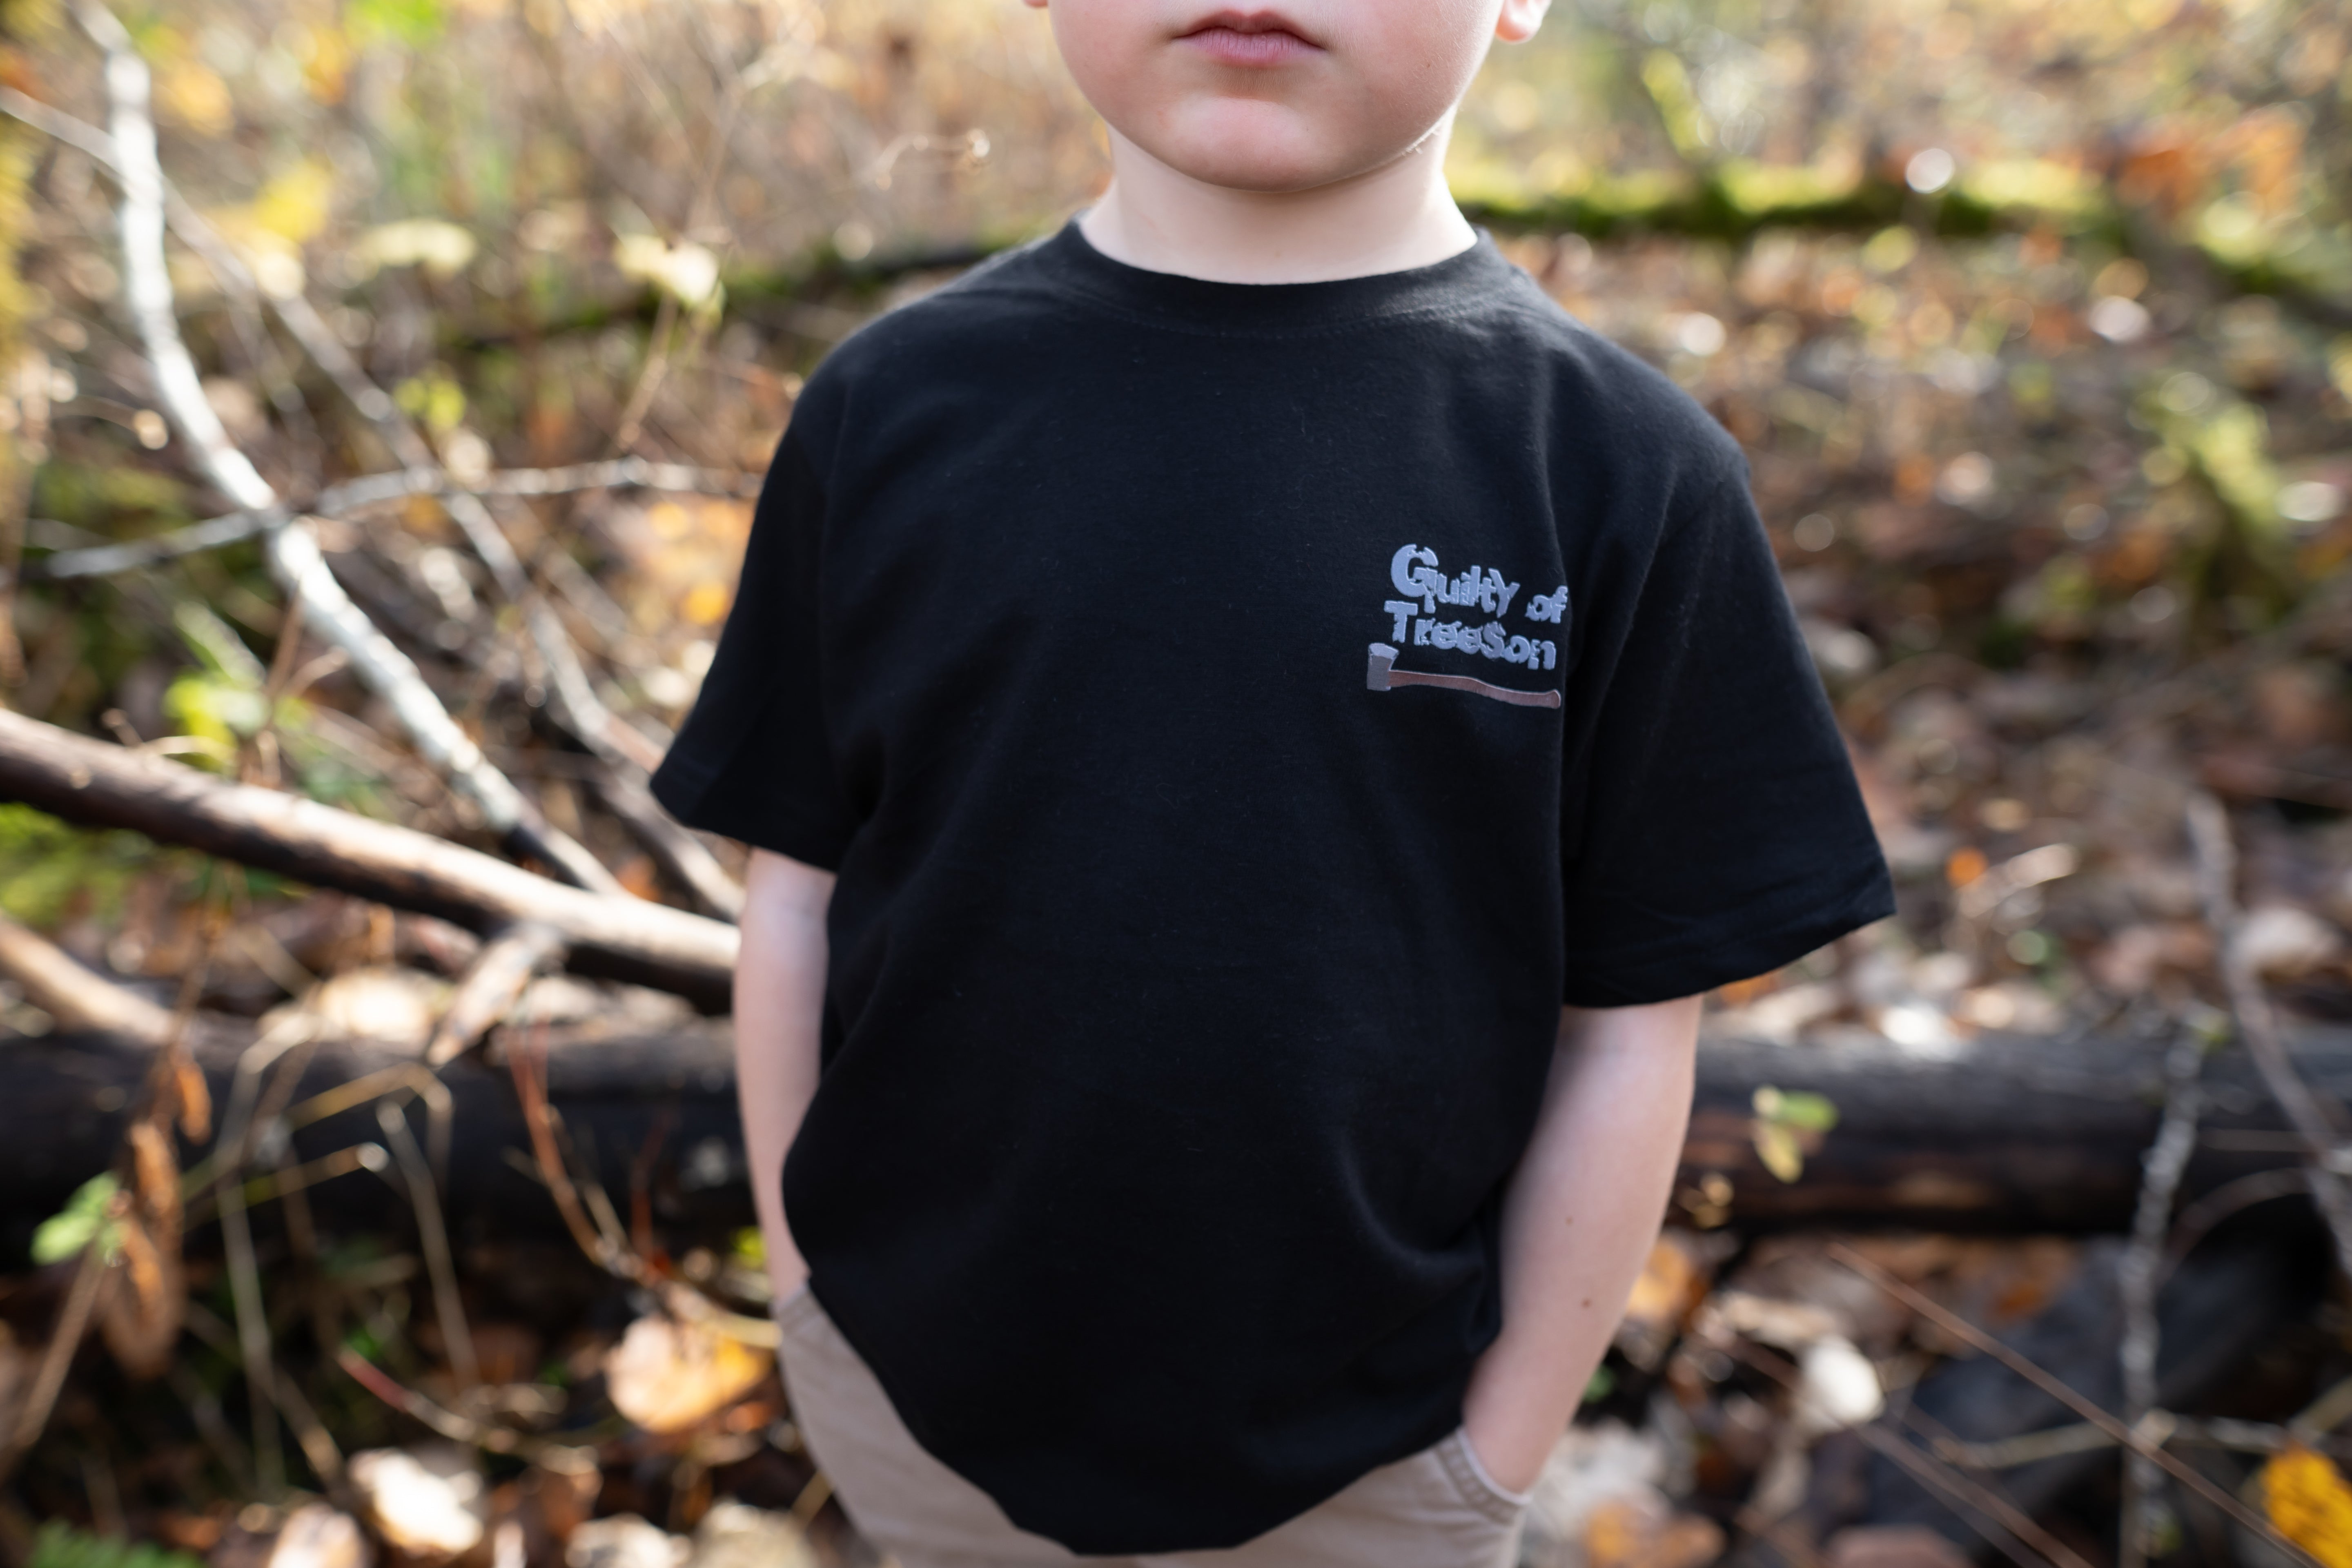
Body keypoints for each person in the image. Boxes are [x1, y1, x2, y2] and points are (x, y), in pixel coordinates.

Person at [649, 0, 1895, 1561]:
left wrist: (1495, 1452)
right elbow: (799, 892)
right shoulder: (891, 408)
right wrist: (806, 1293)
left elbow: (1632, 1027)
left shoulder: (1621, 473)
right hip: (912, 1409)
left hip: (1385, 1465)